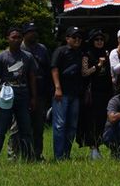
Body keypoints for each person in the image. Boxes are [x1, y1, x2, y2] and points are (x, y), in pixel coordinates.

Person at [0, 26, 38, 168]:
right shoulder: (1, 57)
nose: (16, 40)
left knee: (25, 129)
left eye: (19, 37)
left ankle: (29, 159)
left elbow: (32, 78)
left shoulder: (28, 57)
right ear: (7, 38)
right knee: (0, 130)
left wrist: (33, 98)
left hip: (23, 94)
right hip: (6, 95)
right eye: (13, 37)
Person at [49, 27, 85, 161]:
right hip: (62, 94)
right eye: (74, 37)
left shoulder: (80, 53)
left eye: (79, 38)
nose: (77, 40)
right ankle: (58, 156)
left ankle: (66, 154)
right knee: (59, 125)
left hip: (75, 94)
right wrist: (57, 88)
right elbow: (54, 69)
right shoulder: (60, 51)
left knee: (72, 125)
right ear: (67, 38)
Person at [79, 29, 112, 160]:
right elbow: (84, 72)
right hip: (93, 93)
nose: (99, 42)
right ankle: (93, 148)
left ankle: (101, 145)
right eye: (97, 39)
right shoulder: (86, 55)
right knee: (92, 121)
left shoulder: (107, 53)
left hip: (106, 91)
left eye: (101, 39)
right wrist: (98, 65)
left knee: (103, 121)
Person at [21, 22, 52, 160]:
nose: (34, 34)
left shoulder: (42, 49)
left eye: (35, 31)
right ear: (25, 34)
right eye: (30, 31)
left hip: (40, 92)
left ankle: (37, 154)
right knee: (20, 126)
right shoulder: (19, 48)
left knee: (38, 126)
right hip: (23, 93)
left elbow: (48, 69)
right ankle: (18, 155)